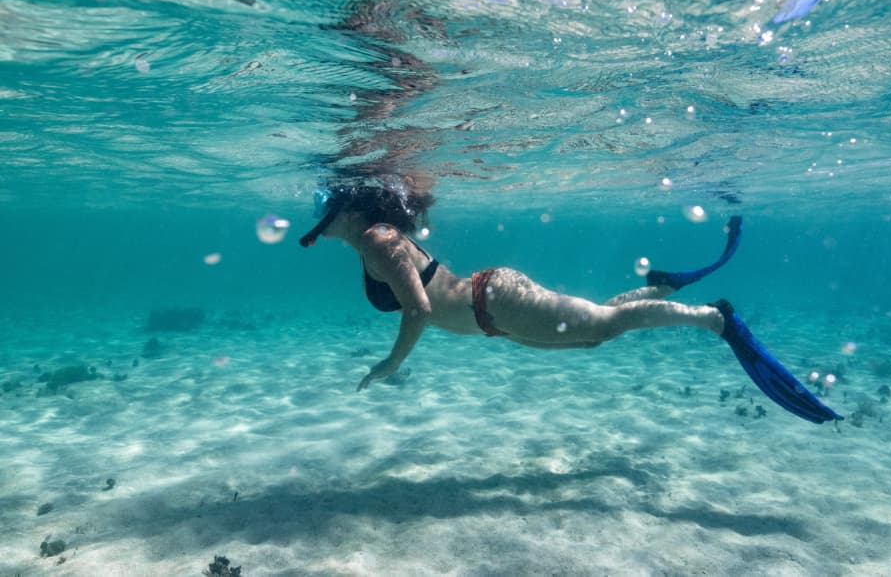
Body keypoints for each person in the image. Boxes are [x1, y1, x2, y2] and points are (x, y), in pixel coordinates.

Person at [299, 182, 843, 424]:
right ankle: (662, 288)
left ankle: (714, 319)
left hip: (495, 301)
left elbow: (417, 308)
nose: (320, 213)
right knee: (593, 336)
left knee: (602, 326)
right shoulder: (370, 242)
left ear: (347, 211)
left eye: (327, 203)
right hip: (494, 316)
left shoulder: (376, 240)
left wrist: (392, 364)